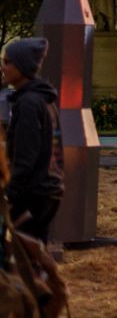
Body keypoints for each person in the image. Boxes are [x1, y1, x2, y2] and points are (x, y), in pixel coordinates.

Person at [3, 39, 62, 243]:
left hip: (32, 194)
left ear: (22, 66)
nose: (3, 67)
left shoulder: (28, 103)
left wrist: (10, 195)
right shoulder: (43, 100)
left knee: (24, 252)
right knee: (33, 250)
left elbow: (25, 156)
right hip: (47, 191)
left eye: (7, 62)